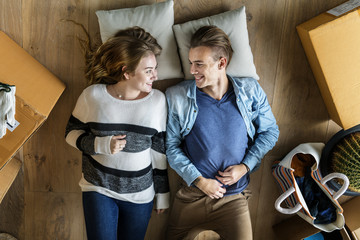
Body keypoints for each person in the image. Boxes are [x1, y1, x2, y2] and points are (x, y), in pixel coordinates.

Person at [165, 25, 279, 240]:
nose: (192, 71)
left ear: (221, 63)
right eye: (191, 63)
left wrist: (245, 167)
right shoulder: (177, 97)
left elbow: (270, 132)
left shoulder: (250, 91)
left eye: (199, 64)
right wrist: (200, 181)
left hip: (233, 199)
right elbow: (171, 147)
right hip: (192, 196)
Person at [65, 26, 169, 240]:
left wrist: (163, 193)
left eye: (155, 68)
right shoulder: (92, 96)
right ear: (127, 71)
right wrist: (99, 145)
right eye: (148, 70)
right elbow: (70, 133)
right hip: (99, 188)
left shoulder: (158, 101)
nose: (156, 76)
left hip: (141, 195)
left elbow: (159, 151)